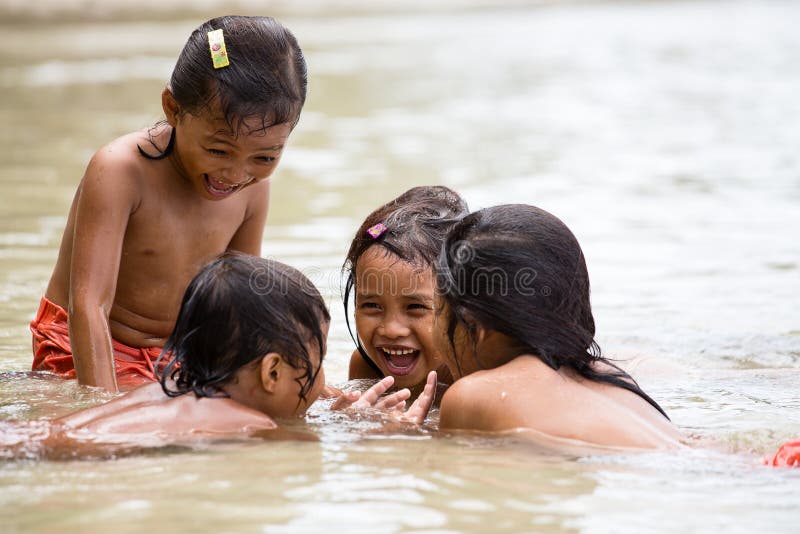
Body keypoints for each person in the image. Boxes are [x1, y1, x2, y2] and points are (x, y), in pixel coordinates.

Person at [30, 16, 308, 391]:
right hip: (86, 344)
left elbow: (238, 305)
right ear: (173, 109)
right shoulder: (120, 171)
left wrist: (306, 387)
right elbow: (88, 306)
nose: (235, 174)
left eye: (264, 158)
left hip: (177, 354)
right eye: (218, 149)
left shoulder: (253, 187)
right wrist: (103, 408)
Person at [17, 253, 436, 456]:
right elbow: (306, 445)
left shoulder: (172, 388)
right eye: (318, 360)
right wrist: (373, 432)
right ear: (272, 373)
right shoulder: (248, 421)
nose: (323, 380)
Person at [435, 204, 684, 450]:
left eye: (437, 311)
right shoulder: (607, 374)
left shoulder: (472, 397)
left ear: (475, 326)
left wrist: (403, 431)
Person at [343, 186, 469, 397]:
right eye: (372, 305)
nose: (391, 331)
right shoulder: (367, 366)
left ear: (462, 307)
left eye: (415, 307)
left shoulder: (470, 380)